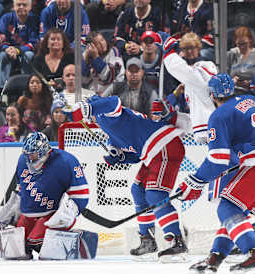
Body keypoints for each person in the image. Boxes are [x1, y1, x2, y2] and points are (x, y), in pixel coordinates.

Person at [180, 73, 255, 274]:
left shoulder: (218, 116)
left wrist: (194, 181)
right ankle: (215, 258)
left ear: (212, 96)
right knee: (237, 214)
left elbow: (217, 160)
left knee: (227, 207)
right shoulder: (250, 99)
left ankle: (254, 256)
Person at [65, 95, 189, 262]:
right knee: (138, 190)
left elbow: (113, 102)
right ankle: (147, 241)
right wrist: (120, 157)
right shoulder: (107, 129)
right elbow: (136, 156)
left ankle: (177, 242)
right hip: (151, 153)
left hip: (164, 145)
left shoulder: (108, 114)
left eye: (91, 110)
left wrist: (85, 108)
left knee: (155, 195)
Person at [0, 131, 92, 260]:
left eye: (34, 155)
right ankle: (46, 241)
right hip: (29, 215)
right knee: (17, 250)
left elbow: (81, 194)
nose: (30, 159)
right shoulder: (22, 161)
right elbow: (21, 190)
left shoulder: (66, 161)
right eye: (28, 155)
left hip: (52, 215)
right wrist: (12, 208)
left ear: (45, 152)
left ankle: (75, 237)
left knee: (39, 243)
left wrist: (69, 213)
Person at [162, 34, 218, 143]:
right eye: (186, 48)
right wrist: (175, 95)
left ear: (199, 47)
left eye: (192, 47)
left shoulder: (206, 66)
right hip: (194, 128)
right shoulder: (180, 74)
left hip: (208, 128)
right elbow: (169, 101)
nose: (189, 51)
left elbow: (189, 75)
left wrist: (169, 55)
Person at [0, 0, 39, 89]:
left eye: (24, 5)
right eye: (18, 5)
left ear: (30, 7)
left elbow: (34, 43)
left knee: (29, 55)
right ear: (14, 6)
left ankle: (27, 86)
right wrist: (8, 49)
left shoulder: (34, 19)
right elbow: (2, 38)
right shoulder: (6, 18)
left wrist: (18, 50)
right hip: (8, 50)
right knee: (1, 56)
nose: (21, 7)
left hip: (24, 51)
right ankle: (3, 89)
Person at [82, 31, 125, 96]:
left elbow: (110, 77)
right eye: (97, 44)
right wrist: (85, 62)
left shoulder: (114, 52)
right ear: (91, 46)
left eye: (102, 40)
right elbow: (83, 81)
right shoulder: (87, 54)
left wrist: (96, 58)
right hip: (93, 94)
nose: (102, 44)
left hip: (113, 93)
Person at [227, 26, 255, 93]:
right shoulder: (231, 54)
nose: (242, 47)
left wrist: (251, 83)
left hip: (253, 91)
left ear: (250, 40)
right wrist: (232, 81)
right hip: (234, 91)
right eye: (239, 44)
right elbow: (225, 75)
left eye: (244, 43)